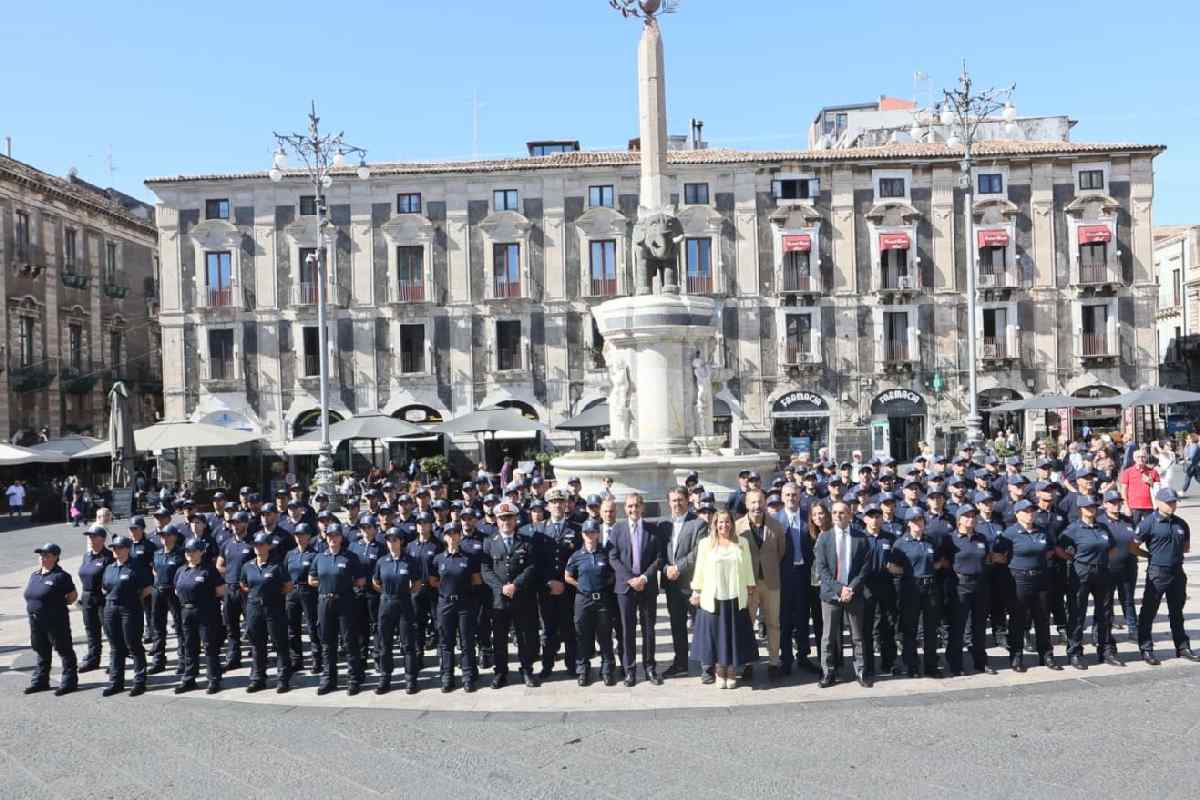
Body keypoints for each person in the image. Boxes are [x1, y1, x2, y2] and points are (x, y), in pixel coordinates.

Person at [689, 510, 758, 689]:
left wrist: (750, 586)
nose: (724, 525)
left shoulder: (742, 542)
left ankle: (732, 670)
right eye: (720, 522)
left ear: (732, 524)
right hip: (714, 597)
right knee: (716, 637)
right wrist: (696, 590)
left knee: (733, 636)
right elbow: (700, 568)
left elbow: (748, 566)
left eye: (727, 522)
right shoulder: (705, 544)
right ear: (715, 524)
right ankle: (719, 669)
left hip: (735, 596)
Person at [480, 501, 541, 688]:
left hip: (521, 597)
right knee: (499, 638)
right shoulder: (489, 542)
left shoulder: (526, 541)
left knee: (524, 637)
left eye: (509, 518)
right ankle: (500, 672)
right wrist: (501, 587)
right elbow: (486, 570)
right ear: (497, 521)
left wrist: (516, 585)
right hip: (499, 599)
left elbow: (532, 567)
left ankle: (527, 670)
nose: (506, 522)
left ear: (515, 520)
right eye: (502, 518)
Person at [996, 500, 1062, 672]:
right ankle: (1016, 656)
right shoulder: (1009, 533)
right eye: (1026, 511)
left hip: (1041, 579)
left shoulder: (1042, 531)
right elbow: (998, 556)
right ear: (1017, 514)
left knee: (1043, 618)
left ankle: (1046, 655)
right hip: (1019, 580)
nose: (1030, 514)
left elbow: (1049, 551)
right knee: (1018, 620)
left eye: (1032, 511)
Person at [1135, 488, 1199, 664]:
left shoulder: (1181, 524)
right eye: (1169, 502)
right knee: (1149, 612)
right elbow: (1133, 546)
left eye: (1174, 502)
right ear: (1158, 502)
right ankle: (1146, 648)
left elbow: (1185, 547)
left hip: (1177, 572)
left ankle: (1182, 646)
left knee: (1177, 612)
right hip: (1157, 572)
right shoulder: (1148, 523)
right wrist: (1149, 556)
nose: (1172, 505)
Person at [814, 502, 871, 688]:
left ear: (850, 515)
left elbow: (865, 568)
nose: (838, 516)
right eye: (835, 512)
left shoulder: (861, 538)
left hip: (854, 593)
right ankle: (828, 672)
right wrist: (840, 589)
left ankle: (860, 671)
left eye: (842, 513)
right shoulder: (824, 538)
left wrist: (851, 588)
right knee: (828, 636)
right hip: (831, 594)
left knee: (857, 636)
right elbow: (822, 569)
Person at [609, 492, 664, 687]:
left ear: (642, 507)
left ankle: (650, 668)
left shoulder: (653, 529)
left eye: (637, 505)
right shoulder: (617, 529)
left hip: (647, 586)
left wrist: (643, 578)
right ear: (625, 508)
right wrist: (630, 579)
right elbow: (613, 557)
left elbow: (659, 557)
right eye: (630, 506)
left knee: (649, 630)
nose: (634, 509)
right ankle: (630, 670)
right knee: (627, 630)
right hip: (625, 588)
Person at [1059, 497, 1120, 669]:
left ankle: (1105, 650)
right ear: (1080, 509)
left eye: (1093, 506)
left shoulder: (1102, 527)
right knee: (1077, 614)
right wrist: (1074, 559)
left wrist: (1101, 560)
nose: (1091, 509)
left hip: (1102, 572)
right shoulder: (1072, 529)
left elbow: (1112, 547)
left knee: (1105, 614)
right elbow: (1058, 548)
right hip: (1081, 573)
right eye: (1087, 507)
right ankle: (1075, 652)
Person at [308, 524, 367, 695]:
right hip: (325, 601)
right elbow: (311, 579)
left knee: (349, 641)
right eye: (329, 536)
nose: (332, 539)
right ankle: (329, 679)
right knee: (327, 643)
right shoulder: (320, 557)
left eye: (335, 535)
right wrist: (327, 585)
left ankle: (354, 679)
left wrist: (343, 585)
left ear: (341, 537)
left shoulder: (350, 557)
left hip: (345, 601)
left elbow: (361, 580)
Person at [890, 510, 947, 678]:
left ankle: (931, 665)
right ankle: (912, 665)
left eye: (920, 520)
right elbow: (892, 567)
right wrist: (910, 574)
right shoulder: (901, 543)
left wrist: (930, 570)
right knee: (910, 629)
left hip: (930, 587)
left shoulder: (930, 541)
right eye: (914, 521)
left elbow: (938, 562)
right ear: (908, 523)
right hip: (911, 588)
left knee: (931, 629)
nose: (918, 523)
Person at [737, 488, 786, 681]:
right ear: (747, 504)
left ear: (765, 503)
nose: (757, 506)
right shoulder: (738, 527)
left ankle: (774, 662)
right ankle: (748, 663)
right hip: (748, 584)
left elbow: (781, 552)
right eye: (753, 502)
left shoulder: (776, 526)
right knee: (747, 624)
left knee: (773, 623)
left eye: (760, 501)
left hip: (771, 582)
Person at [943, 504, 997, 676]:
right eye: (967, 516)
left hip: (980, 585)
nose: (971, 519)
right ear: (959, 519)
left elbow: (986, 558)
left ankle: (981, 662)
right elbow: (944, 562)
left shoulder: (981, 538)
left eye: (973, 516)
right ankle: (955, 663)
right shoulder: (950, 539)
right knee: (958, 627)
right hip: (960, 585)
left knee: (979, 626)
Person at [659, 487, 706, 679]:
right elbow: (658, 552)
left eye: (680, 500)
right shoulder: (663, 525)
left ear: (687, 500)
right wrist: (665, 569)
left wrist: (678, 568)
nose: (677, 504)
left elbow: (698, 552)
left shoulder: (698, 523)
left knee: (701, 626)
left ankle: (707, 665)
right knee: (677, 626)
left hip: (693, 584)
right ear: (668, 503)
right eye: (673, 500)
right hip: (672, 585)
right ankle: (680, 664)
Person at [565, 519, 618, 686]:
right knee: (582, 636)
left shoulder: (605, 553)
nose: (590, 535)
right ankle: (583, 669)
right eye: (586, 532)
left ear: (598, 534)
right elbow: (567, 576)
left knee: (605, 636)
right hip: (583, 599)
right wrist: (579, 585)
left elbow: (614, 573)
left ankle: (607, 669)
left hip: (602, 599)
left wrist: (605, 584)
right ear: (582, 535)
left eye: (593, 532)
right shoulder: (576, 555)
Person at [535, 489, 581, 679]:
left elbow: (579, 558)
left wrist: (564, 581)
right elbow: (535, 561)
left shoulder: (576, 529)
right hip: (546, 589)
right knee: (548, 630)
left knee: (569, 629)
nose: (557, 505)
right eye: (553, 502)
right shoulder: (538, 529)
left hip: (568, 589)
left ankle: (572, 665)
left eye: (561, 501)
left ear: (566, 504)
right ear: (547, 506)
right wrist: (548, 582)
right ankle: (547, 666)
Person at [240, 531, 294, 693]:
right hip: (254, 608)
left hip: (273, 607)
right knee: (257, 644)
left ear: (269, 546)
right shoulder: (248, 566)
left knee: (280, 644)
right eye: (256, 545)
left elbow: (288, 586)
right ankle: (258, 678)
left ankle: (283, 679)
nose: (258, 547)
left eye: (262, 544)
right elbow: (244, 585)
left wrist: (272, 595)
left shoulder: (277, 565)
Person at [100, 534, 153, 696]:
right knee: (115, 647)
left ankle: (139, 682)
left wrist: (133, 599)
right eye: (114, 548)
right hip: (111, 608)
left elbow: (147, 588)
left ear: (127, 549)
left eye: (119, 548)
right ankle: (116, 682)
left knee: (133, 645)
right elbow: (105, 587)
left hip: (130, 609)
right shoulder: (109, 567)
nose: (116, 551)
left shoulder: (136, 566)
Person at [24, 543, 79, 695]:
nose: (42, 558)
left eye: (46, 555)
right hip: (36, 620)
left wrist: (56, 605)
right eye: (41, 555)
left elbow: (72, 596)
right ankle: (40, 681)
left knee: (64, 650)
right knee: (41, 650)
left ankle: (69, 682)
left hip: (55, 620)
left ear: (55, 557)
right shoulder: (35, 575)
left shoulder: (61, 576)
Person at [432, 523, 480, 693]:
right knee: (446, 642)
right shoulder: (438, 559)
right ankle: (447, 676)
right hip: (445, 604)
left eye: (455, 533)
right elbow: (433, 581)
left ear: (460, 536)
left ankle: (468, 676)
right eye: (449, 534)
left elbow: (476, 580)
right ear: (444, 537)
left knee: (467, 642)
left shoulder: (469, 558)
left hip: (464, 604)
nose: (452, 537)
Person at [173, 536, 225, 694]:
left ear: (201, 552)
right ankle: (189, 678)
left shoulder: (208, 570)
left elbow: (220, 591)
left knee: (209, 646)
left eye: (193, 551)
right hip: (186, 611)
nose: (189, 554)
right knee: (189, 646)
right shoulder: (181, 570)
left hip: (205, 612)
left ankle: (214, 679)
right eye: (187, 551)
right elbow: (176, 590)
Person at [373, 525, 420, 695]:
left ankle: (410, 679)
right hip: (386, 604)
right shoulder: (382, 561)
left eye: (395, 540)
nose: (392, 543)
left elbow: (417, 583)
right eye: (389, 540)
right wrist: (386, 594)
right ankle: (385, 679)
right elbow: (376, 581)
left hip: (404, 604)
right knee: (385, 644)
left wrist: (405, 594)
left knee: (408, 644)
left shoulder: (410, 561)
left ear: (401, 542)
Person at [777, 482, 817, 676]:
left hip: (804, 574)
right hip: (784, 575)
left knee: (802, 617)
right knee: (784, 619)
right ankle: (786, 659)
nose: (791, 498)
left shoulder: (808, 516)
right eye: (787, 495)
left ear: (799, 496)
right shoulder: (775, 520)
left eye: (794, 495)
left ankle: (803, 656)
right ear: (782, 497)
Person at [215, 512, 254, 670]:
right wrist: (231, 574)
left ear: (246, 523)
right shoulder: (226, 544)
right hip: (230, 589)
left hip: (247, 590)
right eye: (233, 523)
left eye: (238, 522)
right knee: (231, 626)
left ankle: (257, 656)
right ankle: (233, 658)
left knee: (252, 625)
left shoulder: (252, 543)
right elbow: (219, 565)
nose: (235, 526)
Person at [1099, 490, 1138, 641]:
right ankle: (1103, 633)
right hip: (1107, 569)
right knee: (1105, 602)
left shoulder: (1128, 521)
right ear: (1105, 504)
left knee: (1128, 600)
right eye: (1112, 502)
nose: (1116, 505)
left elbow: (1135, 542)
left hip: (1128, 568)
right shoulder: (1099, 522)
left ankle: (1133, 630)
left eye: (1118, 502)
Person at [149, 525, 185, 675]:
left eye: (168, 535)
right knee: (158, 628)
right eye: (162, 535)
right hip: (158, 591)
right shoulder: (157, 553)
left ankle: (183, 660)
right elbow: (154, 570)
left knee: (180, 627)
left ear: (174, 537)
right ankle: (159, 661)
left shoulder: (181, 553)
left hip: (174, 593)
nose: (164, 538)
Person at [77, 524, 114, 672]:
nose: (91, 539)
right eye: (89, 537)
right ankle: (93, 659)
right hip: (87, 596)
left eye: (94, 537)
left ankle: (115, 660)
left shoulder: (109, 557)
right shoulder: (87, 556)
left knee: (110, 630)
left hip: (102, 597)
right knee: (91, 630)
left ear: (103, 539)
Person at [1119, 449, 1160, 527]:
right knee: (1134, 529)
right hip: (1134, 506)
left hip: (1150, 506)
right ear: (1134, 458)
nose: (1141, 459)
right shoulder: (1128, 472)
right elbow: (1123, 490)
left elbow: (1158, 490)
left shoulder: (1153, 472)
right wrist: (1126, 506)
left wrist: (1151, 482)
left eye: (1143, 457)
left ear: (1146, 458)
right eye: (1138, 457)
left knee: (1150, 528)